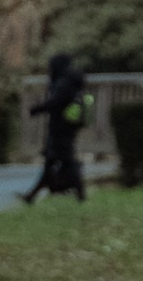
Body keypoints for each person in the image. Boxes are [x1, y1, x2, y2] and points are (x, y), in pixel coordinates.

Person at [22, 51, 91, 205]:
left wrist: (36, 109)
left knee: (65, 158)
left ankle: (80, 192)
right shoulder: (74, 81)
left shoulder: (64, 81)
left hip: (61, 126)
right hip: (69, 125)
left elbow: (56, 101)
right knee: (51, 160)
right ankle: (32, 195)